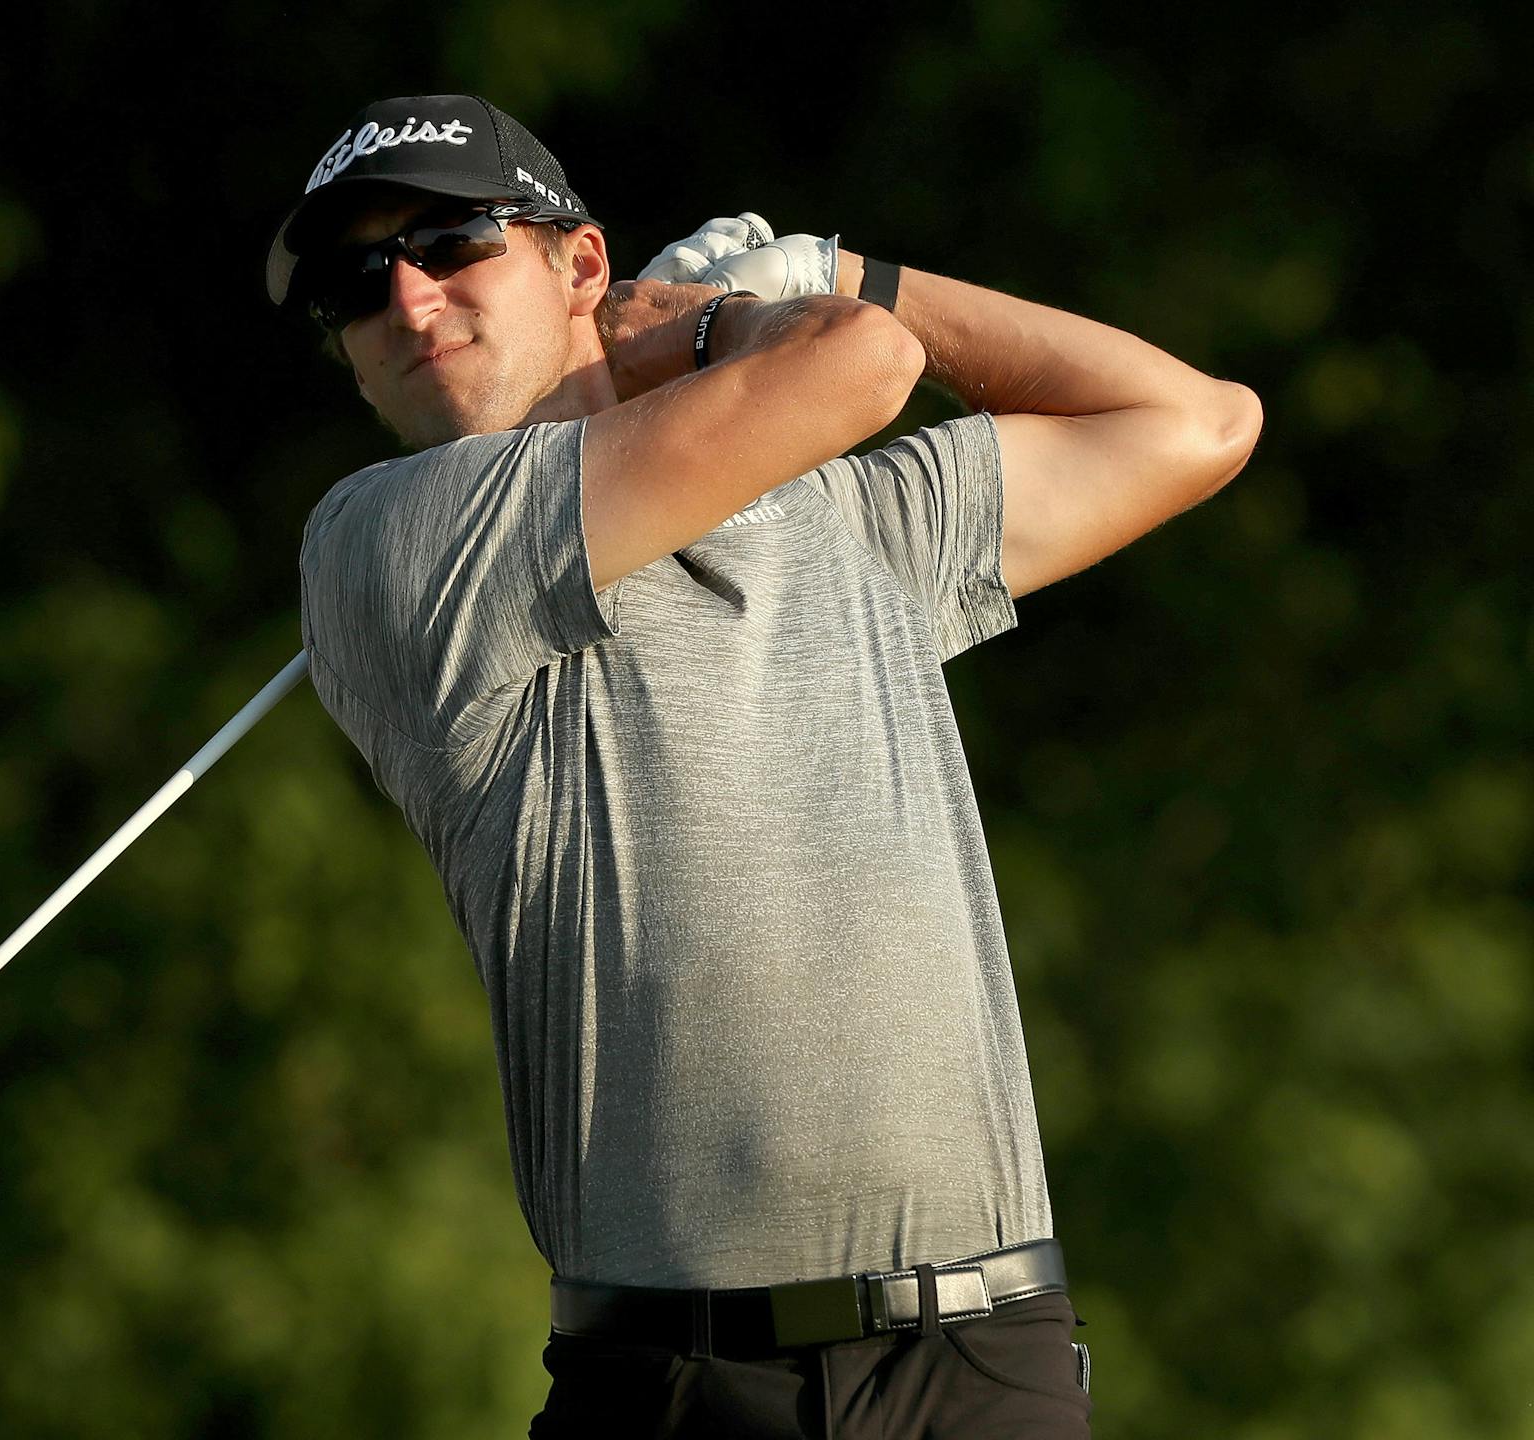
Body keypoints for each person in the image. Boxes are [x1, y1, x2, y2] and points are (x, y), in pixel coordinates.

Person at [265, 95, 1261, 1439]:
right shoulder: (380, 548)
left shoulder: (847, 522)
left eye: (449, 244)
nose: (405, 295)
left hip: (980, 1367)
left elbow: (1194, 420)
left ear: (579, 263)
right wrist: (727, 319)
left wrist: (847, 269)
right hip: (677, 1388)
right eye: (353, 284)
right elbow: (862, 367)